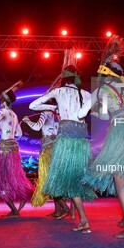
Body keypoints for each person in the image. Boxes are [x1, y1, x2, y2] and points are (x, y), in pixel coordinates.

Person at [78, 35, 124, 239]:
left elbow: (83, 114)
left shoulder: (103, 89)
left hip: (122, 128)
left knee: (118, 176)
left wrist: (92, 111)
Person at [29, 65, 96, 233]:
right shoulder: (86, 94)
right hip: (82, 142)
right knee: (75, 181)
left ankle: (84, 220)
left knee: (69, 182)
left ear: (64, 78)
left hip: (66, 141)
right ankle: (83, 220)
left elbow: (33, 106)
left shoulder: (58, 92)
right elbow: (88, 113)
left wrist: (52, 107)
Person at [0, 82, 34, 217]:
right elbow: (19, 134)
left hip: (5, 151)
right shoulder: (13, 114)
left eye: (0, 99)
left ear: (3, 100)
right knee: (13, 178)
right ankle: (25, 194)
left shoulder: (2, 111)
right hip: (14, 151)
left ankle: (13, 210)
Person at [22, 110, 71, 219]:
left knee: (49, 181)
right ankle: (57, 211)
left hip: (48, 150)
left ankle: (65, 208)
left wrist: (27, 121)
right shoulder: (59, 113)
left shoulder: (45, 112)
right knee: (54, 180)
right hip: (58, 150)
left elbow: (37, 127)